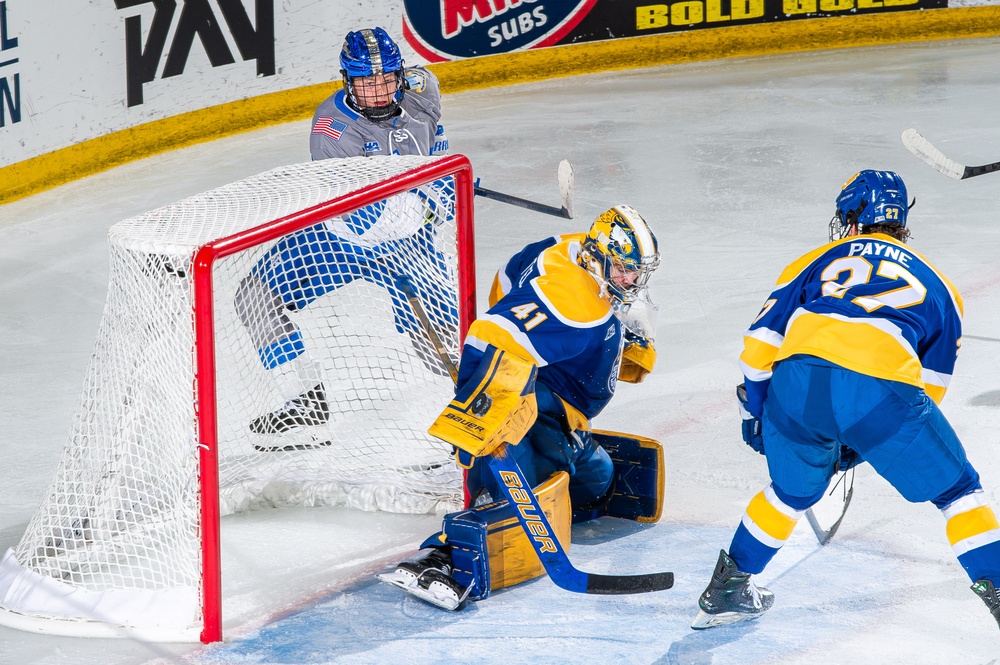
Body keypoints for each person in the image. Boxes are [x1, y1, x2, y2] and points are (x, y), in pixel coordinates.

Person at [691, 170, 1000, 632]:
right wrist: (870, 440)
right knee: (958, 493)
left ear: (854, 217)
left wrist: (757, 411)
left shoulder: (815, 260)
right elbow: (929, 388)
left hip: (797, 385)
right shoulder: (941, 286)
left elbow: (759, 345)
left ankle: (729, 587)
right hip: (880, 392)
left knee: (791, 492)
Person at [377, 205, 662, 610]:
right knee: (509, 491)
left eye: (636, 272)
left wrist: (616, 340)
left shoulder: (569, 250)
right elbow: (490, 334)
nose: (630, 281)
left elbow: (510, 276)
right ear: (597, 256)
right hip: (537, 406)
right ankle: (443, 556)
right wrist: (479, 409)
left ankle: (550, 463)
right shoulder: (573, 303)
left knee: (597, 483)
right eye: (623, 270)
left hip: (563, 409)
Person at [234, 27, 456, 438]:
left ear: (401, 74)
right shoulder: (332, 130)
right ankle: (304, 398)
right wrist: (432, 200)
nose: (379, 92)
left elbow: (439, 155)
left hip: (410, 243)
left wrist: (439, 187)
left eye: (388, 80)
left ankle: (474, 422)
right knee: (254, 296)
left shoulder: (422, 89)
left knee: (441, 337)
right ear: (347, 81)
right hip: (339, 238)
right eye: (367, 83)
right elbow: (365, 221)